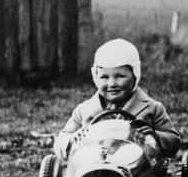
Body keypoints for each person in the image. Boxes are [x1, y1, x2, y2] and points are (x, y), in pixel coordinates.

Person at [53, 38, 181, 160]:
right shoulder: (84, 110)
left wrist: (155, 136)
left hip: (137, 171)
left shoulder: (152, 108)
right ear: (95, 77)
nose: (112, 83)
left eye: (120, 76)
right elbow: (62, 140)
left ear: (135, 75)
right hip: (94, 167)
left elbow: (173, 141)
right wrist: (73, 139)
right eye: (104, 77)